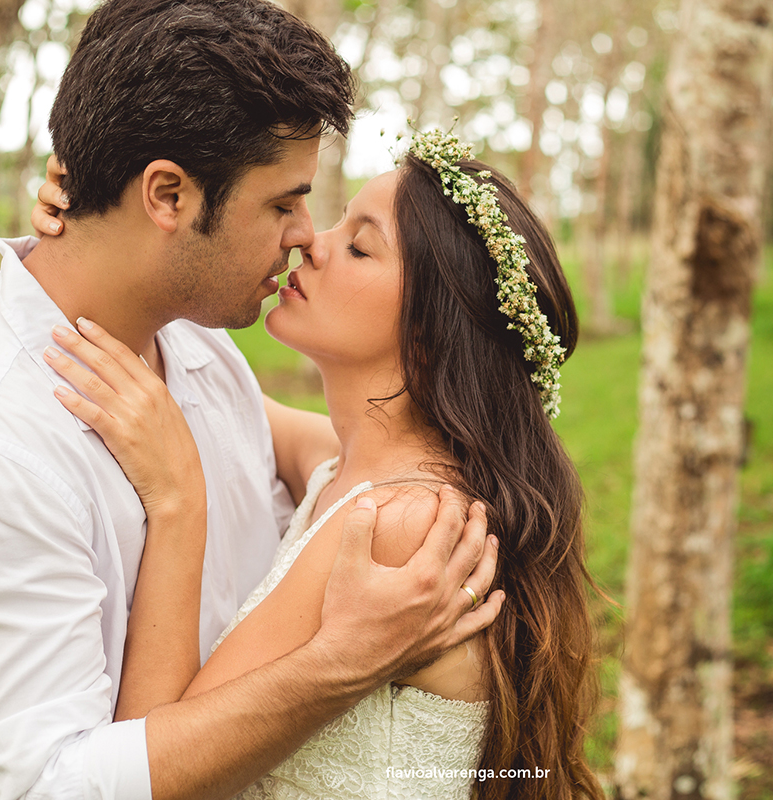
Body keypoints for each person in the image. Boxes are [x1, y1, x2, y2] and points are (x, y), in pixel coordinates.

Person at [0, 2, 500, 799]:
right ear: (167, 196)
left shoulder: (194, 342)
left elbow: (330, 458)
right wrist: (341, 662)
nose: (306, 234)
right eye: (282, 203)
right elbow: (52, 786)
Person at [34, 130, 606, 799]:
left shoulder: (393, 527)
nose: (311, 241)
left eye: (360, 244)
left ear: (427, 335)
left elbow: (153, 762)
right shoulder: (353, 467)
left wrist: (178, 502)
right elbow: (230, 409)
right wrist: (107, 215)